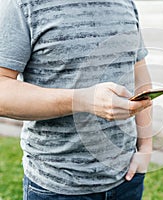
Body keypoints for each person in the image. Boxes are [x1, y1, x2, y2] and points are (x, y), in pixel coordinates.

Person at [0, 0, 153, 199]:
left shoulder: (125, 3)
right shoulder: (23, 5)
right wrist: (82, 100)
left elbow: (140, 77)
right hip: (56, 187)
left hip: (127, 182)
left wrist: (146, 147)